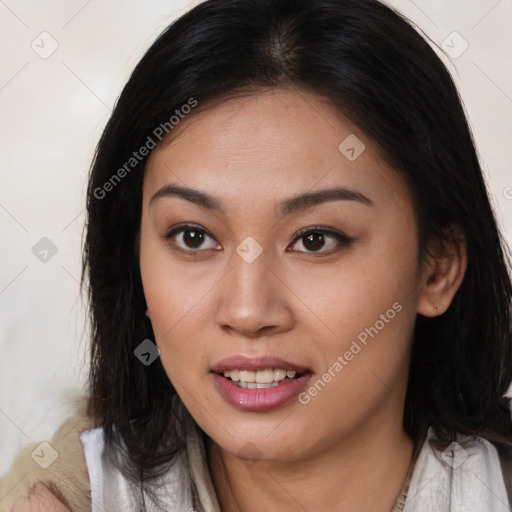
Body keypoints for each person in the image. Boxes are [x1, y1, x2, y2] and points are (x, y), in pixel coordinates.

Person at [1, 0, 512, 510]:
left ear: (438, 269)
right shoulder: (56, 493)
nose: (247, 311)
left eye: (316, 239)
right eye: (193, 237)